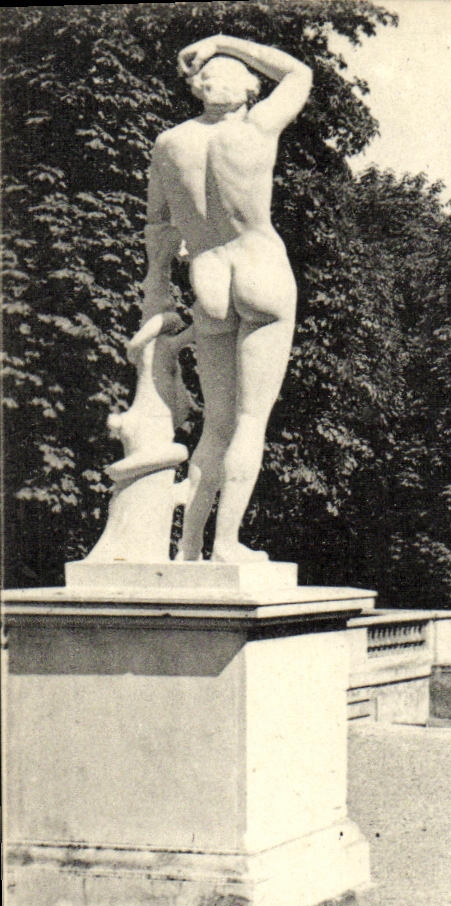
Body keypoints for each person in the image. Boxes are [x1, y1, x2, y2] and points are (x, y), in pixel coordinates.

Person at [139, 34, 311, 563]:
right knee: (251, 421)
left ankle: (189, 547)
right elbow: (299, 73)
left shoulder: (170, 144)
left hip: (208, 277)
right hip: (260, 269)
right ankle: (227, 545)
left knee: (217, 425)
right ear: (249, 90)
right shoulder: (256, 127)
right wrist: (219, 40)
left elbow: (158, 227)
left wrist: (158, 288)